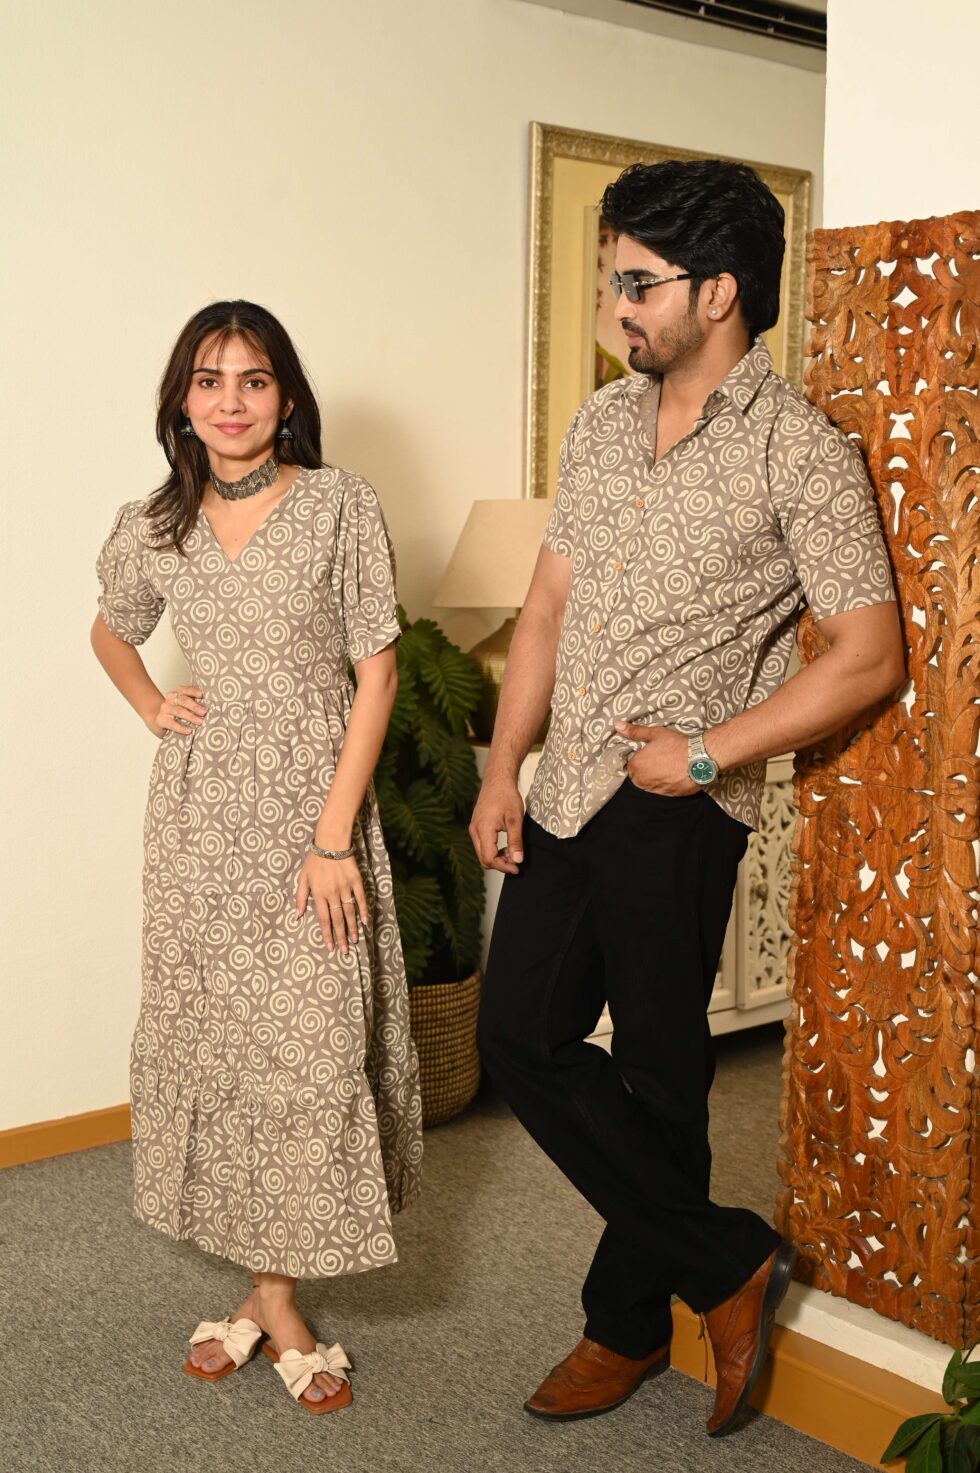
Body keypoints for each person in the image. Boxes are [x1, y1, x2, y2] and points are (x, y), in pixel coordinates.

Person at [471, 159, 904, 1438]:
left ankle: (619, 1328)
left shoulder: (800, 454)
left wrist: (709, 753)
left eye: (637, 282)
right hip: (565, 787)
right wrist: (502, 764)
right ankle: (726, 1261)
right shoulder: (602, 423)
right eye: (613, 280)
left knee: (660, 1074)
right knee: (519, 1037)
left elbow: (867, 655)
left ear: (718, 290)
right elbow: (545, 607)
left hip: (675, 802)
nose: (617, 306)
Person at [91, 301, 422, 1414]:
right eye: (208, 379)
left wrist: (332, 838)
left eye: (254, 379)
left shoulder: (338, 504)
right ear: (181, 402)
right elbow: (111, 626)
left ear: (286, 400)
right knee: (226, 1047)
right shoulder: (153, 524)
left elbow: (377, 675)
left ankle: (265, 1302)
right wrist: (151, 704)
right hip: (199, 825)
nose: (229, 401)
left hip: (312, 813)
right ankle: (274, 1301)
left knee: (310, 1047)